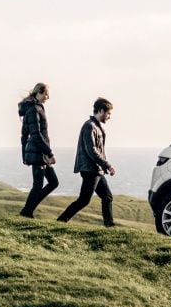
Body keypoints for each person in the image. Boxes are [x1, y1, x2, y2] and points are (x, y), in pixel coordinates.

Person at [57, 97, 115, 226]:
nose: (109, 117)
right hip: (90, 169)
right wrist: (107, 165)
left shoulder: (96, 126)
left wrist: (104, 166)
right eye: (108, 113)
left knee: (107, 197)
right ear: (101, 110)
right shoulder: (89, 126)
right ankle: (61, 221)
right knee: (84, 200)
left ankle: (110, 226)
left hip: (96, 169)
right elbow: (91, 150)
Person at [18, 83, 58, 218]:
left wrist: (24, 155)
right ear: (38, 93)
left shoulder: (35, 108)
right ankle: (26, 212)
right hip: (39, 152)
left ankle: (28, 210)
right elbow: (36, 135)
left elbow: (24, 135)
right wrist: (50, 153)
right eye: (46, 94)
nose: (48, 97)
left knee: (53, 182)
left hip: (38, 152)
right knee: (38, 185)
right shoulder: (34, 109)